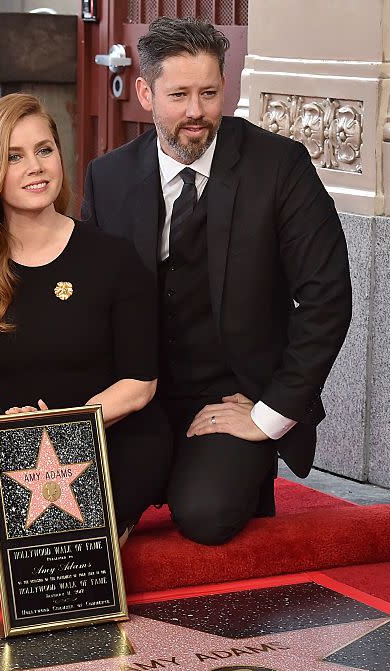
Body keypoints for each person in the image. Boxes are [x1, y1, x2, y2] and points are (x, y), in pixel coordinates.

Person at [82, 17, 352, 545]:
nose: (195, 112)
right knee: (81, 516)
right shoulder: (107, 177)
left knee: (205, 516)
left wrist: (269, 414)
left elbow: (327, 297)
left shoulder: (280, 166)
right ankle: (160, 469)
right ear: (144, 92)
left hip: (235, 395)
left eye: (209, 92)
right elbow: (90, 305)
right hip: (140, 398)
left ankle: (230, 470)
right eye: (178, 94)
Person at [0, 93, 171, 561]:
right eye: (14, 157)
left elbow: (139, 384)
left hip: (115, 437)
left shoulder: (112, 258)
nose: (35, 166)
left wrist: (61, 427)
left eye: (44, 150)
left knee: (63, 549)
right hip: (23, 452)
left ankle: (114, 528)